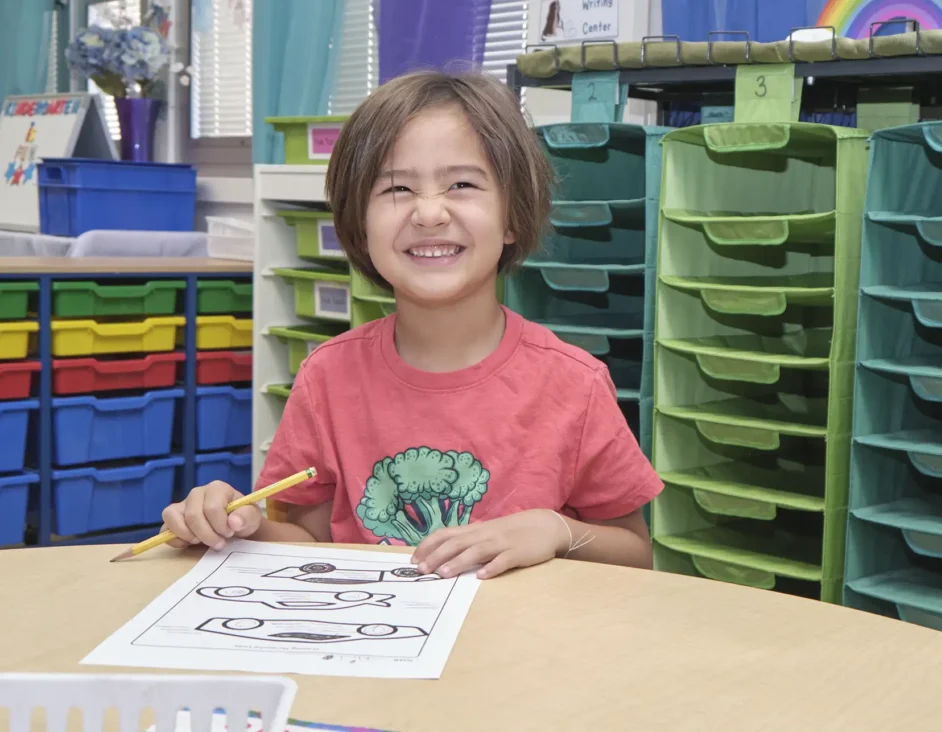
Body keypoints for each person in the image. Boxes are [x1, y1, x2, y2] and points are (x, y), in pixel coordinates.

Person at [161, 69, 663, 580]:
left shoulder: (573, 383)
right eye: (398, 188)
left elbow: (635, 555)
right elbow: (308, 541)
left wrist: (554, 530)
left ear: (512, 216)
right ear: (359, 223)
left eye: (462, 184)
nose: (429, 213)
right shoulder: (326, 377)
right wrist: (233, 526)